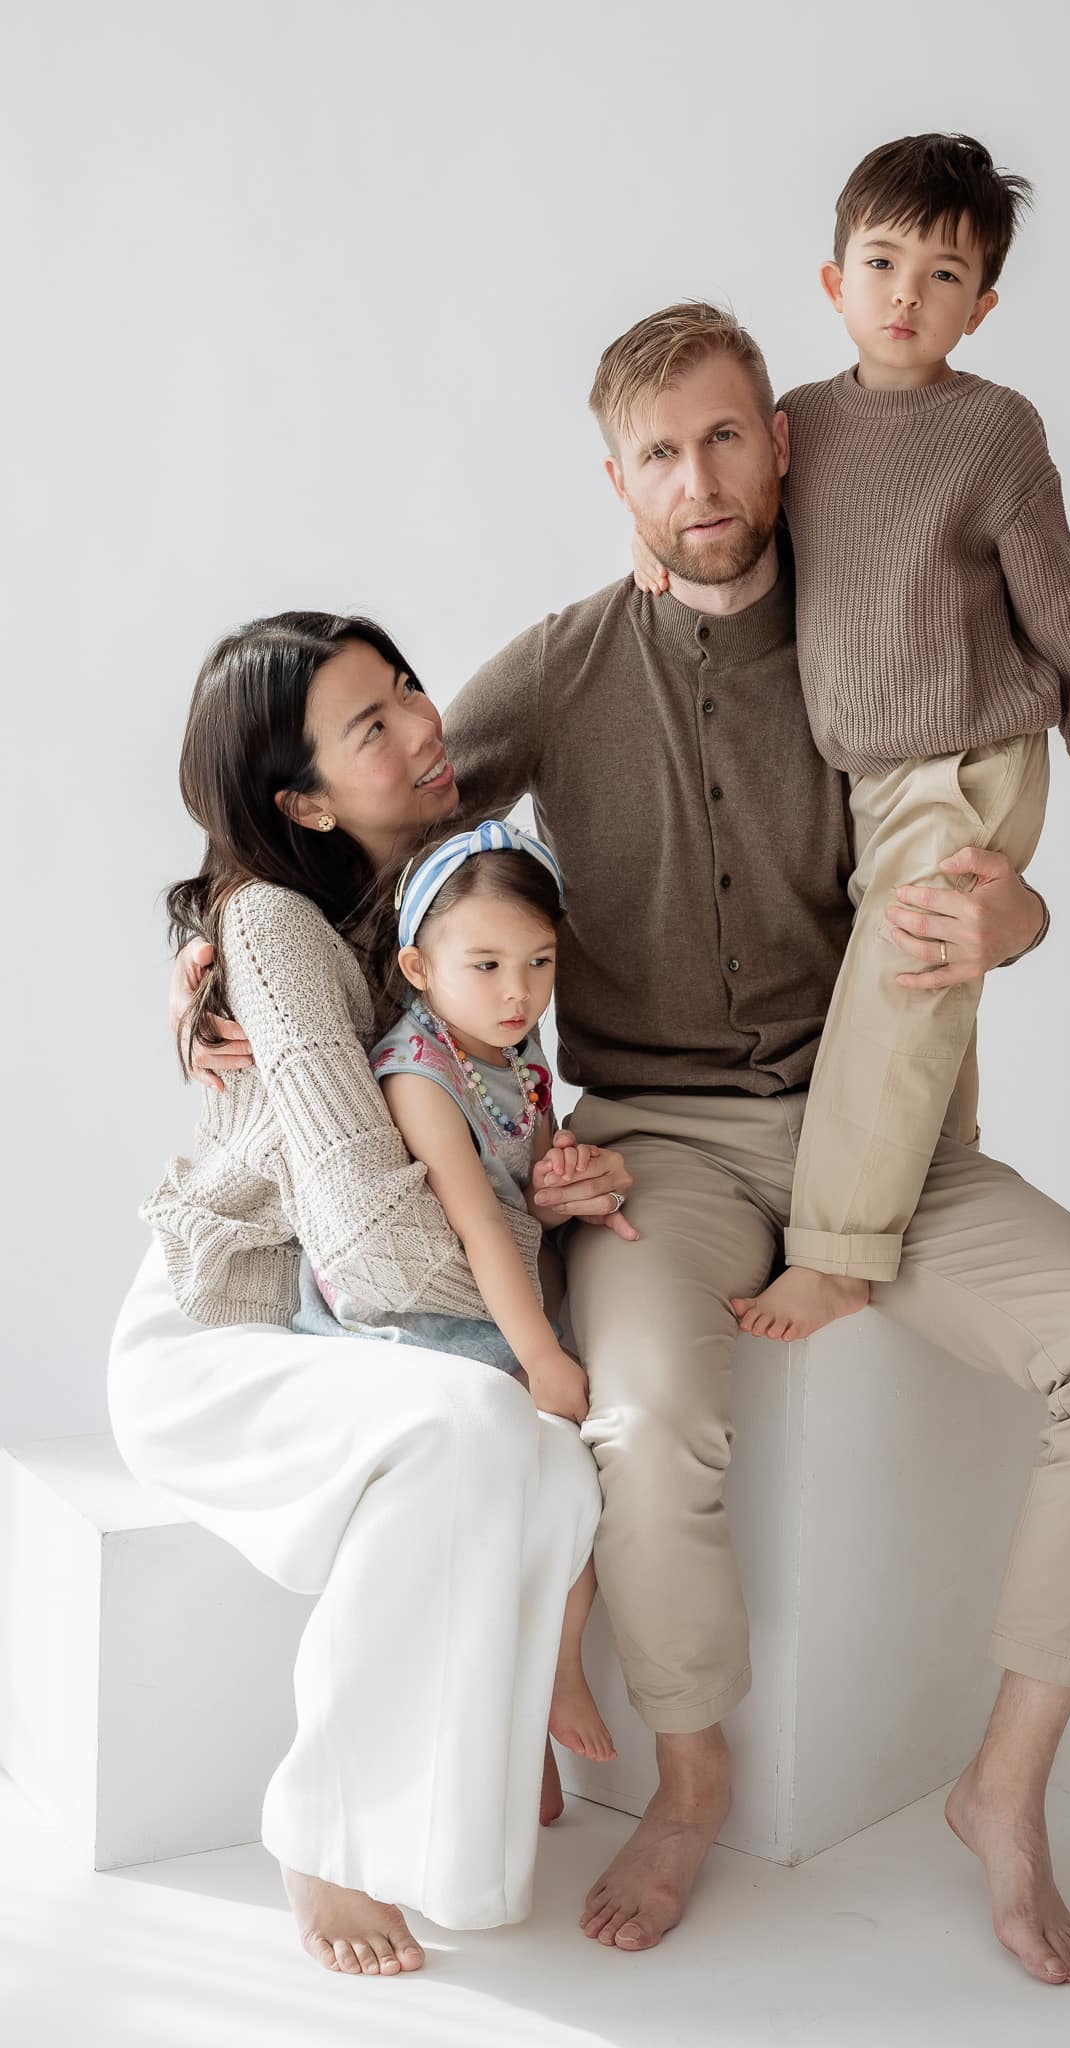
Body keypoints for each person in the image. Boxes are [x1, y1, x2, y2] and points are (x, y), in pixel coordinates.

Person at [182, 313, 1070, 1986]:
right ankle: (692, 1772)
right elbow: (389, 827)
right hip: (659, 1150)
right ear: (617, 482)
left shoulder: (884, 647)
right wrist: (218, 937)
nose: (698, 480)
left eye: (726, 437)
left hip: (885, 1136)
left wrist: (1018, 918)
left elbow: (972, 848)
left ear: (780, 445)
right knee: (647, 1424)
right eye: (659, 453)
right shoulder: (563, 667)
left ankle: (1007, 1789)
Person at [111, 612, 631, 1978]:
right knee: (474, 1423)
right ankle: (323, 1832)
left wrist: (545, 1193)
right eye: (372, 727)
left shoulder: (444, 882)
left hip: (359, 1321)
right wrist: (522, 1259)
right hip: (230, 1327)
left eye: (409, 690)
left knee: (547, 1457)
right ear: (302, 801)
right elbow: (371, 1242)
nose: (423, 728)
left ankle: (477, 1787)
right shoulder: (274, 922)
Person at [632, 133, 1070, 1345]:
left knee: (904, 977)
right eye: (882, 264)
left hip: (971, 754)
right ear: (835, 281)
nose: (907, 295)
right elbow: (729, 507)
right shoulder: (803, 422)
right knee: (920, 991)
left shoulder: (995, 431)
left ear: (983, 307)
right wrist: (652, 541)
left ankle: (839, 1253)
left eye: (944, 275)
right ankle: (928, 1197)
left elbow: (1060, 606)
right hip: (864, 775)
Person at [295, 815, 622, 1762]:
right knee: (534, 1468)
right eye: (485, 966)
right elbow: (477, 1224)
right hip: (422, 1312)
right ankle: (528, 1702)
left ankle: (553, 1678)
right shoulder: (420, 1076)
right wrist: (542, 1357)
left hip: (498, 1291)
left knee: (578, 1482)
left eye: (539, 962)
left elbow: (524, 1191)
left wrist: (560, 1185)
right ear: (418, 967)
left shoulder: (513, 1050)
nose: (518, 992)